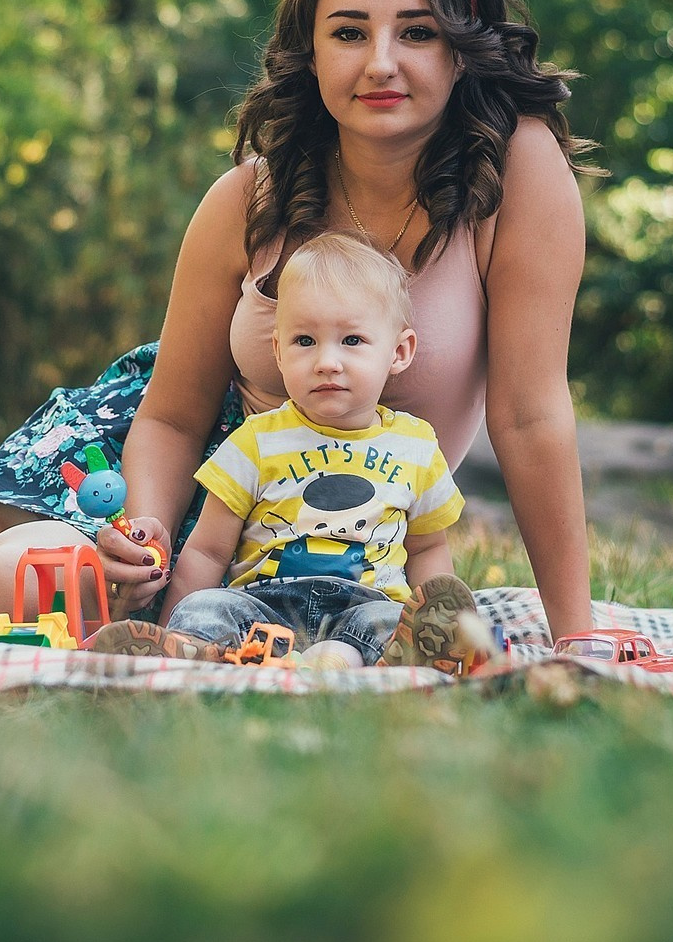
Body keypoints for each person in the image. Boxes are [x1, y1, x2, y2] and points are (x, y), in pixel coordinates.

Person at [0, 0, 600, 651]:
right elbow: (169, 413)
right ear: (311, 50)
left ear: (462, 47)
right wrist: (146, 532)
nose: (381, 63)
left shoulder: (513, 173)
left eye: (418, 32)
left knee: (0, 588)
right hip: (137, 468)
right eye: (348, 32)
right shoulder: (253, 193)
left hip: (290, 520)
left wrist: (577, 637)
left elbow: (531, 416)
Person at [86, 232, 475, 672]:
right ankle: (183, 651)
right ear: (278, 349)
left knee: (390, 620)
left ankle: (391, 658)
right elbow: (208, 552)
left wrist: (441, 611)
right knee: (210, 609)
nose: (327, 361)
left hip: (366, 605)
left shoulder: (416, 446)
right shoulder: (256, 441)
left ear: (398, 352)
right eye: (305, 341)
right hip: (262, 604)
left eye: (352, 341)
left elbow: (427, 549)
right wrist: (176, 618)